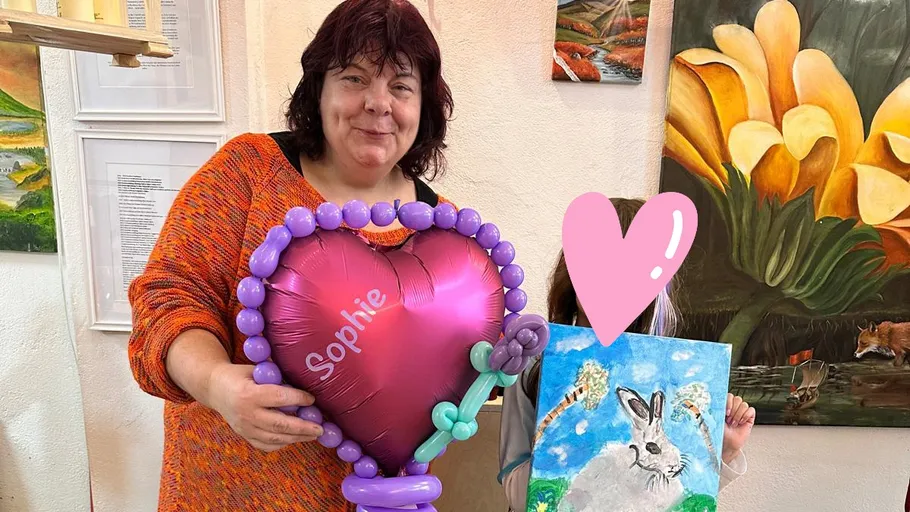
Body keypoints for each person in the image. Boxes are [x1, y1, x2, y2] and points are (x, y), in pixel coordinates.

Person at [127, 1, 453, 510]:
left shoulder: (446, 234)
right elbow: (167, 299)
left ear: (423, 105)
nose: (378, 103)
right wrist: (215, 383)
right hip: (225, 495)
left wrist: (499, 357)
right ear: (318, 89)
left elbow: (447, 378)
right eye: (354, 78)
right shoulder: (248, 171)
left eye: (401, 86)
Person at [498, 198, 755, 512]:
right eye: (597, 269)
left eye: (631, 273)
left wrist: (726, 451)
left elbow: (678, 498)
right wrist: (560, 453)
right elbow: (515, 491)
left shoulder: (669, 374)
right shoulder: (533, 364)